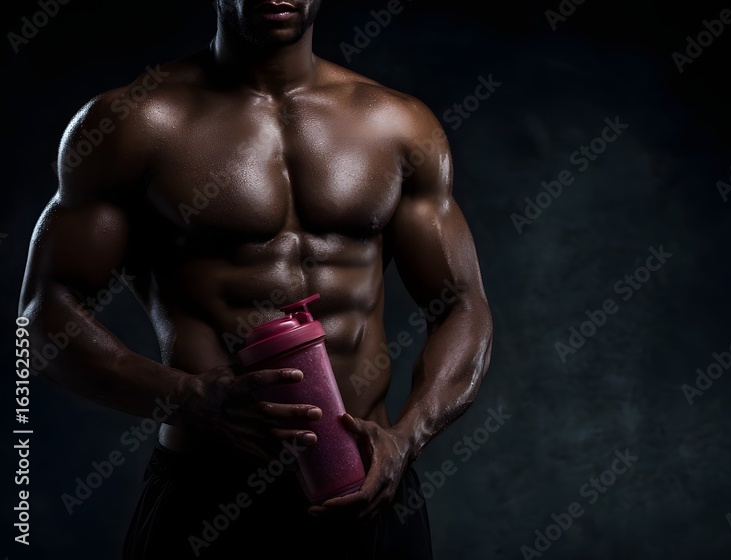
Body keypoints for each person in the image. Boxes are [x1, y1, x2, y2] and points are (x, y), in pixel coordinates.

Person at [19, 0, 493, 557]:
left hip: (368, 482)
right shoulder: (134, 122)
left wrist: (406, 438)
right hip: (208, 492)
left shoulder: (396, 124)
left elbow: (464, 305)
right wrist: (187, 396)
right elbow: (41, 317)